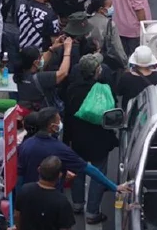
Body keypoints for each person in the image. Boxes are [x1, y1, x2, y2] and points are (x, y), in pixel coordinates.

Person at [64, 54, 120, 225]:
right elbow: (113, 115)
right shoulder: (103, 89)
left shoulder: (72, 89)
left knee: (78, 170)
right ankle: (93, 212)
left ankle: (77, 203)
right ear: (97, 71)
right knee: (98, 175)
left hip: (78, 139)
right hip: (99, 140)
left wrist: (67, 140)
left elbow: (67, 116)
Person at [14, 156, 75, 230]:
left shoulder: (25, 190)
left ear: (39, 169)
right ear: (59, 175)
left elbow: (17, 215)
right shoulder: (62, 202)